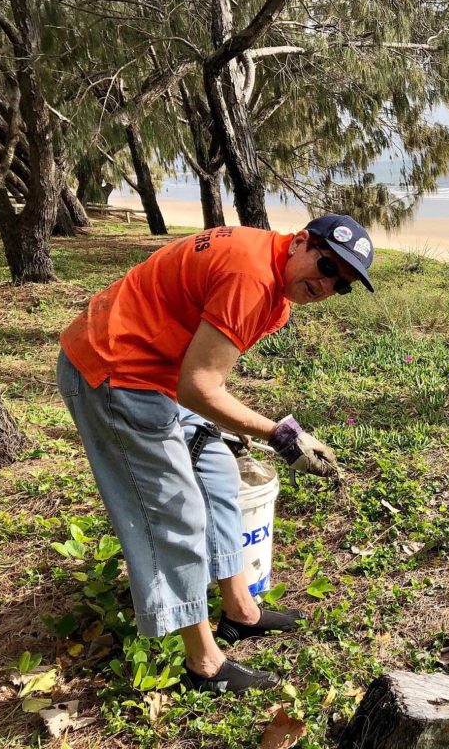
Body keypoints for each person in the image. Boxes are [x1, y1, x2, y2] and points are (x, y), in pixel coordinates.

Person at [56, 214, 375, 694]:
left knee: (218, 472)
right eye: (327, 266)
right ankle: (202, 663)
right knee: (175, 512)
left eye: (342, 285)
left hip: (158, 374)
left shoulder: (276, 293)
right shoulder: (251, 275)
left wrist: (232, 423)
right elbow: (200, 386)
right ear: (301, 242)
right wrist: (281, 435)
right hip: (113, 370)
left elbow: (200, 373)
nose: (328, 285)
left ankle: (240, 610)